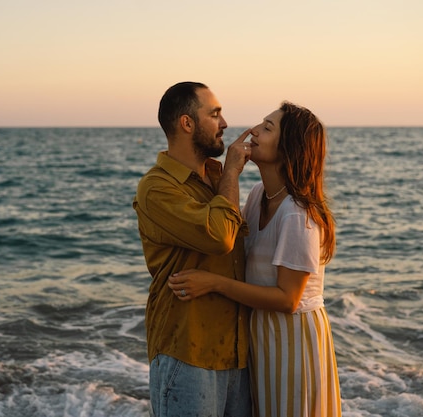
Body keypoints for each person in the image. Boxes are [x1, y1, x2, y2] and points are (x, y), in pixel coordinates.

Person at [168, 102, 342, 417]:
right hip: (263, 333)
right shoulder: (259, 194)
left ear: (289, 147)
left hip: (294, 337)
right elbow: (227, 240)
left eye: (267, 127)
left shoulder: (297, 213)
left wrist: (213, 284)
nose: (255, 131)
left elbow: (288, 299)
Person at [133, 81, 254, 417]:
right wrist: (232, 171)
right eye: (215, 114)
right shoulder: (157, 187)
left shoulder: (215, 179)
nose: (225, 123)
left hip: (237, 354)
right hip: (186, 354)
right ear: (187, 123)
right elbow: (220, 238)